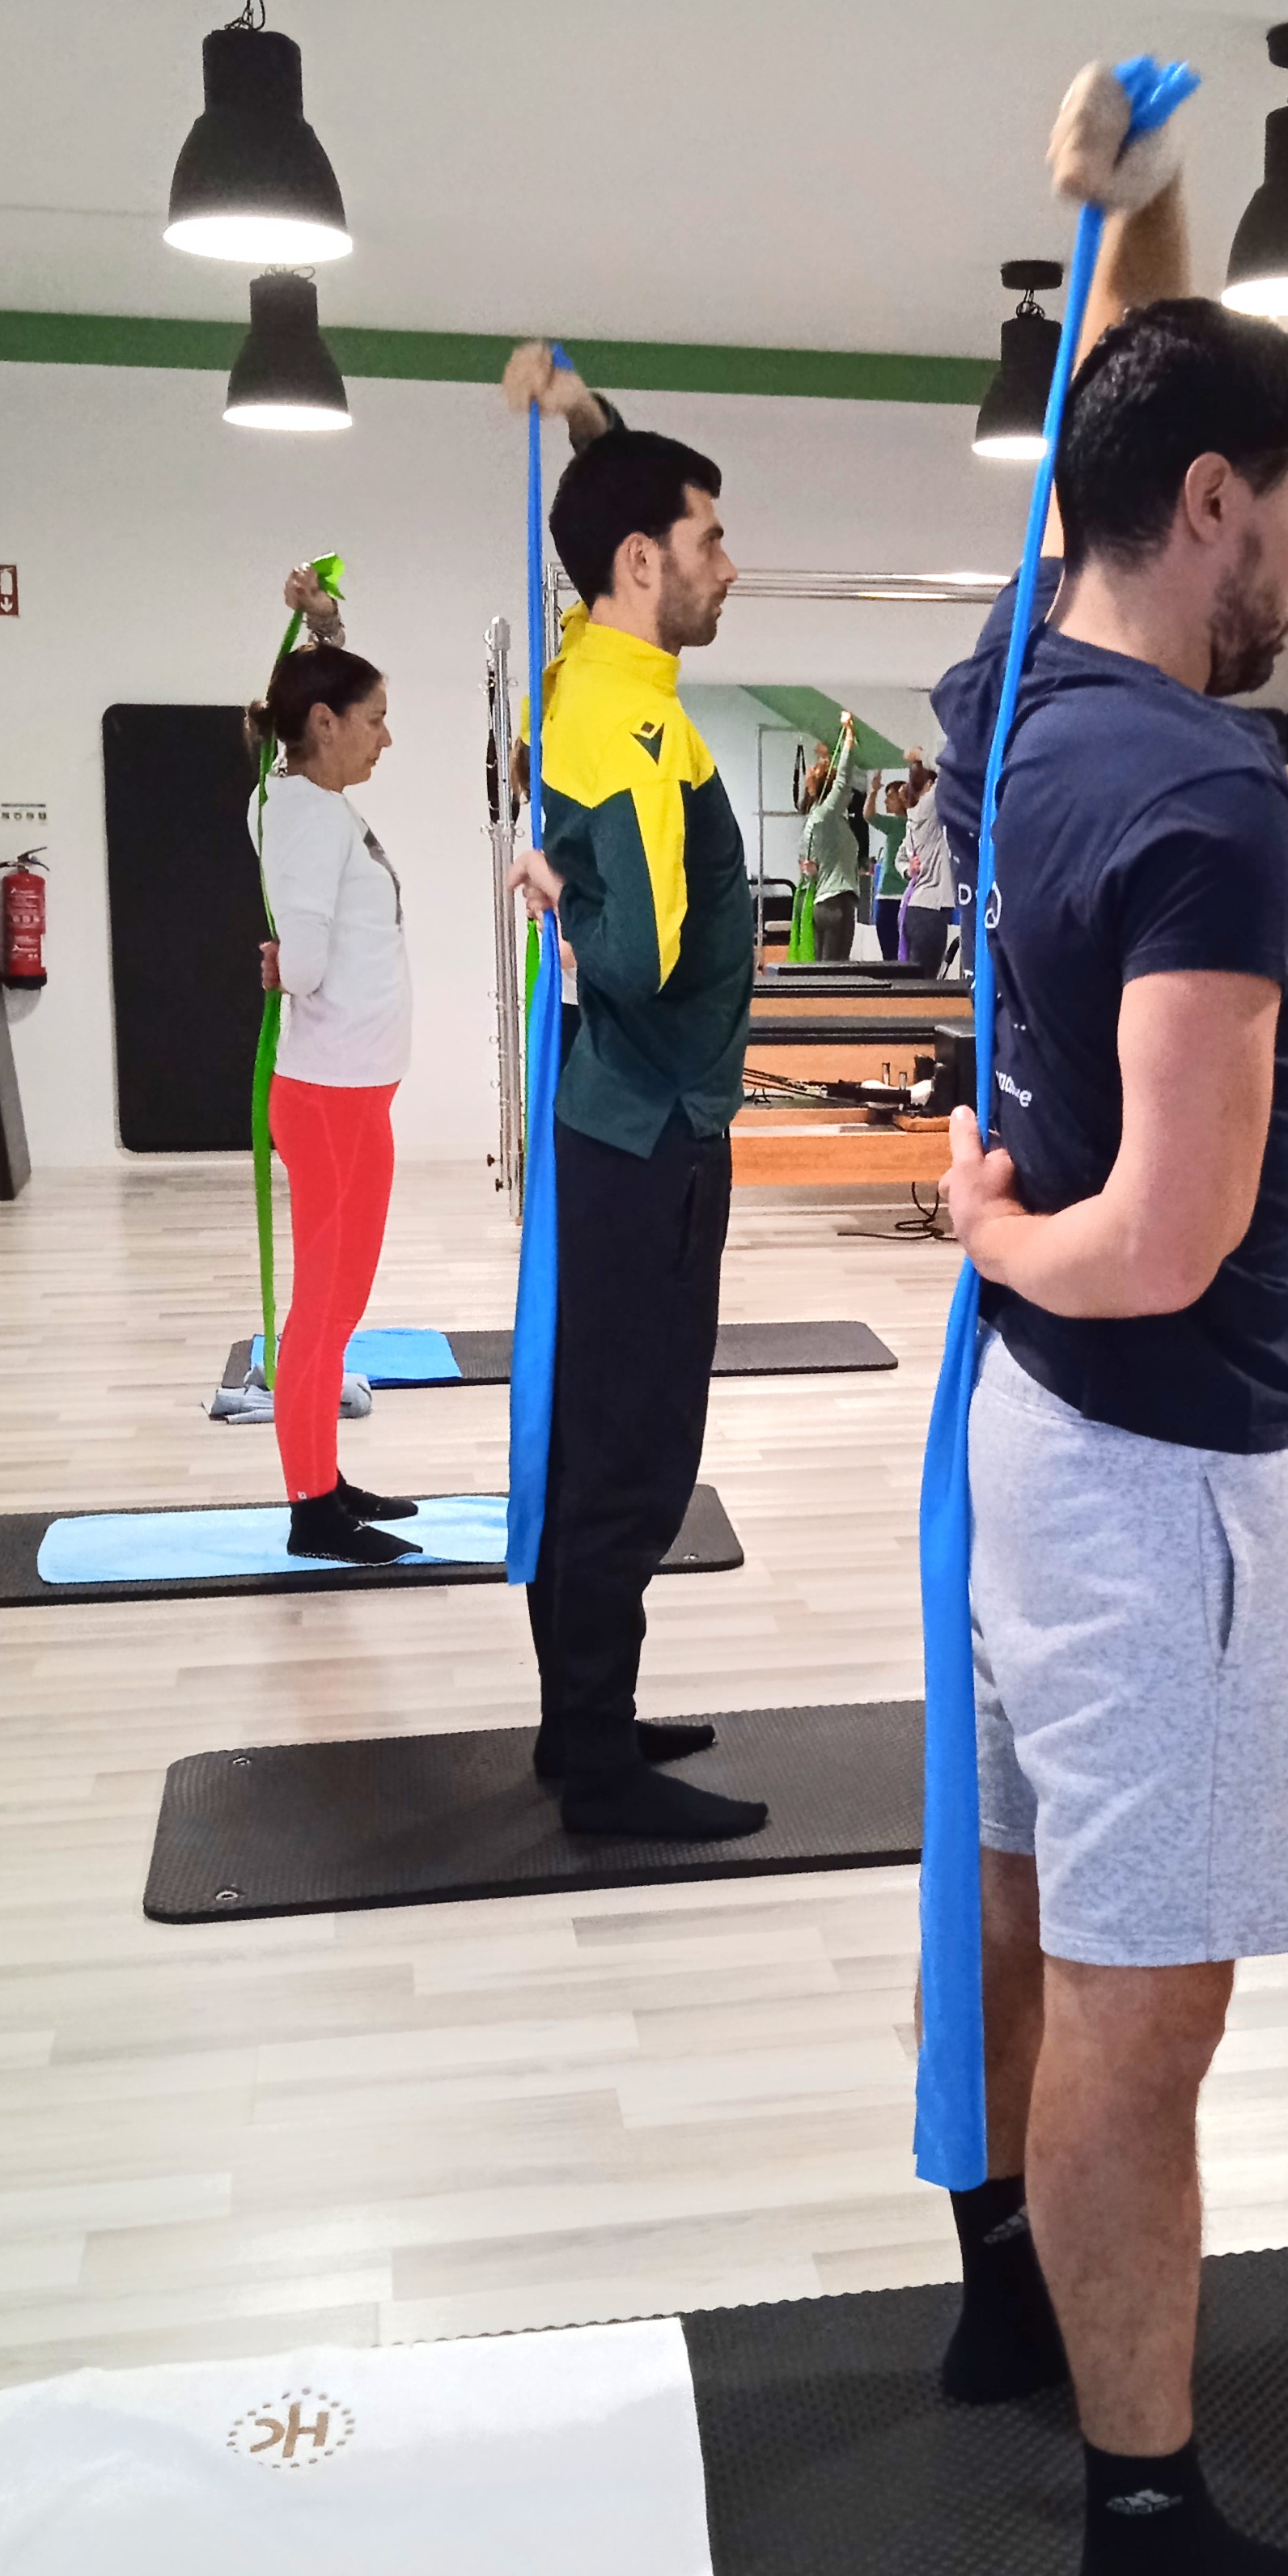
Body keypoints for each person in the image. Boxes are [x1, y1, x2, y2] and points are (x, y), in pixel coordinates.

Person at [927, 94, 1288, 2576]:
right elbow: (1166, 1240)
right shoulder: (1219, 806)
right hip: (1161, 1482)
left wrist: (1137, 198)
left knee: (1040, 1897)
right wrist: (996, 1221)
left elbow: (1129, 404)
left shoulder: (1008, 689)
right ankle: (1147, 2523)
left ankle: (1008, 2293)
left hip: (1036, 1458)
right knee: (1155, 2002)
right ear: (1213, 508)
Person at [500, 347, 766, 1842]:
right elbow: (644, 956)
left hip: (624, 1127)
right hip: (652, 1131)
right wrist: (559, 894)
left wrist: (579, 415)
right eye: (709, 539)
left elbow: (597, 511)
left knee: (606, 1429)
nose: (731, 565)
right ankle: (596, 1766)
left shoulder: (591, 669)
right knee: (634, 1451)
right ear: (644, 562)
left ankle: (584, 1722)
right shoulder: (633, 722)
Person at [250, 579, 419, 1566]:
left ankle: (326, 1473)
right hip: (326, 1097)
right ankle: (311, 1510)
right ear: (325, 723)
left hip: (359, 1091)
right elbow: (307, 965)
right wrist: (288, 963)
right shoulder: (308, 819)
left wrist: (324, 627)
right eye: (374, 719)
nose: (384, 738)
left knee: (344, 1299)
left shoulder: (301, 797)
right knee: (320, 1307)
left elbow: (294, 716)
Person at [796, 715, 862, 960]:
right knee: (836, 973)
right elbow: (843, 780)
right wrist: (849, 737)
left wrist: (825, 755)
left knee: (821, 973)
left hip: (821, 904)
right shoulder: (826, 815)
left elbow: (807, 866)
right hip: (836, 904)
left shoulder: (816, 818)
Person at [898, 749, 952, 973]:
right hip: (930, 910)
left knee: (915, 979)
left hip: (914, 908)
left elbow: (900, 858)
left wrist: (907, 870)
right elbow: (948, 771)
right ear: (929, 784)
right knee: (926, 981)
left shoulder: (912, 818)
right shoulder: (929, 809)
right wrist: (922, 757)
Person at [870, 777, 910, 962]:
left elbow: (869, 815)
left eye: (890, 798)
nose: (886, 802)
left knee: (889, 954)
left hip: (890, 895)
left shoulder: (896, 823)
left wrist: (873, 791)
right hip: (906, 895)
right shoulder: (911, 823)